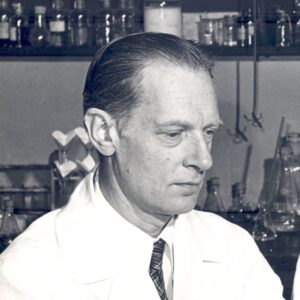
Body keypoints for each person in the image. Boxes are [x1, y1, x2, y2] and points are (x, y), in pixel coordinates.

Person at [0, 32, 284, 300]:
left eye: (208, 132)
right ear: (104, 132)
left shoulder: (232, 248)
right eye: (173, 134)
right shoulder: (29, 273)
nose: (203, 160)